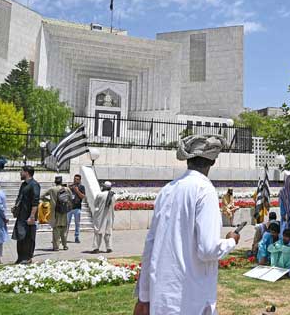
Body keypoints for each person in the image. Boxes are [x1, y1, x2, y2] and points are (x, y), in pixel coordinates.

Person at [134, 135, 238, 315]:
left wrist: (144, 296)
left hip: (163, 296)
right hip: (191, 297)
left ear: (188, 160)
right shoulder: (204, 190)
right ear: (212, 162)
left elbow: (150, 247)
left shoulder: (168, 189)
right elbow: (207, 250)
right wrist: (231, 241)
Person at [12, 165, 40, 264]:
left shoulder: (34, 185)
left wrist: (32, 216)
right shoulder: (24, 184)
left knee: (28, 237)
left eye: (21, 171)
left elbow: (35, 202)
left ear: (27, 172)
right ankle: (20, 257)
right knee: (20, 237)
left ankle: (27, 258)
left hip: (28, 217)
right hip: (21, 215)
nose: (20, 173)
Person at [41, 176, 72, 251]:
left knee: (56, 229)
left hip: (55, 211)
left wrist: (49, 201)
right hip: (64, 211)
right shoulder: (66, 189)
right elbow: (71, 197)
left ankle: (56, 247)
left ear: (55, 181)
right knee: (64, 228)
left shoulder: (52, 189)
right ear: (61, 181)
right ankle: (65, 245)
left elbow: (41, 196)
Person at [92, 181, 116, 253]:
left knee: (98, 231)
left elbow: (95, 204)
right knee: (108, 232)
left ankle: (96, 248)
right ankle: (109, 247)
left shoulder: (100, 195)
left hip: (100, 216)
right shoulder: (113, 196)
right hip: (109, 216)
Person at [67, 174, 86, 244]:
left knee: (77, 223)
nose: (76, 180)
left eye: (77, 179)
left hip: (77, 208)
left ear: (80, 180)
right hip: (69, 208)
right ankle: (64, 236)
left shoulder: (82, 187)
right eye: (75, 179)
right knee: (67, 223)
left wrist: (77, 191)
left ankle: (76, 237)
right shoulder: (70, 186)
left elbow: (82, 197)